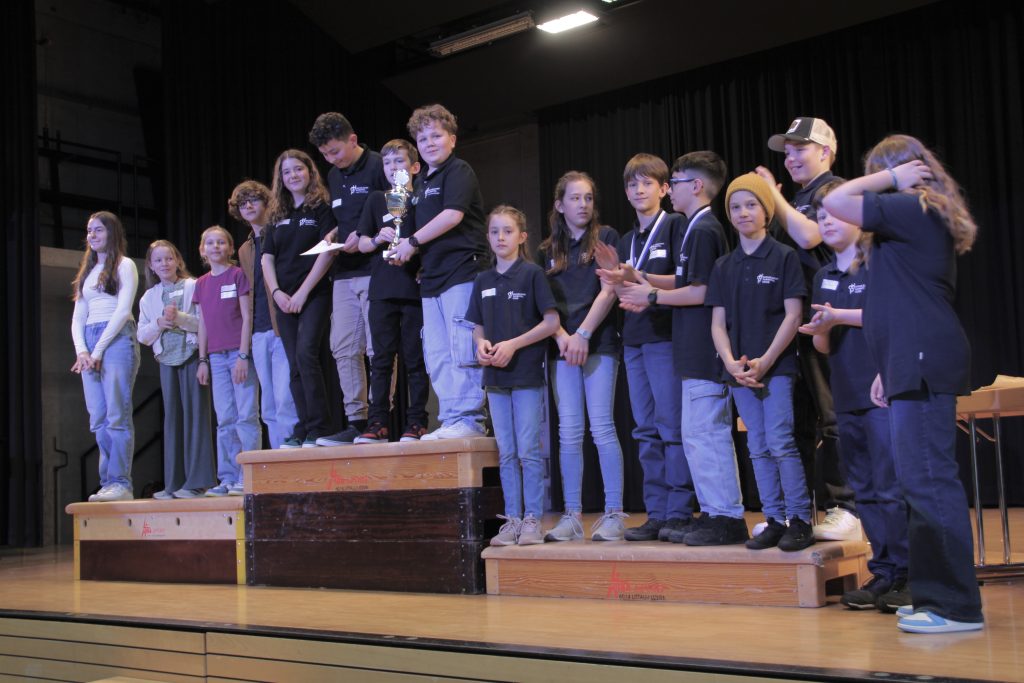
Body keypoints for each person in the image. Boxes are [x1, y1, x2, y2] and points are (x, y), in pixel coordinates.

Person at [822, 134, 983, 633]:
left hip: (923, 355)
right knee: (919, 485)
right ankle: (935, 596)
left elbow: (836, 200)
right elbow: (895, 302)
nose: (873, 185)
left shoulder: (914, 207)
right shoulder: (907, 222)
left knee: (929, 483)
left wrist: (892, 177)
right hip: (908, 360)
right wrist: (885, 370)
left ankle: (956, 607)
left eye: (878, 173)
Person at [618, 151, 748, 546]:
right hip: (677, 345)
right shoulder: (693, 227)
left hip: (695, 346)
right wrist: (641, 280)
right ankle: (704, 512)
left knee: (701, 433)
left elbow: (702, 290)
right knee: (687, 434)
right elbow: (684, 281)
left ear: (695, 185)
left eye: (672, 183)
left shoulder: (699, 228)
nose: (669, 189)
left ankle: (716, 515)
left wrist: (651, 296)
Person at [798, 179, 910, 609]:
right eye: (820, 216)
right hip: (845, 393)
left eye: (834, 213)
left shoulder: (879, 262)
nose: (826, 221)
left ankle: (908, 572)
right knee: (864, 488)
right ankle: (883, 572)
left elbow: (888, 314)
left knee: (890, 486)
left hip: (881, 391)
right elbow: (824, 345)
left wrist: (838, 317)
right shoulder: (823, 275)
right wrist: (820, 330)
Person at [756, 117, 862, 542]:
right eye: (787, 152)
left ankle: (845, 507)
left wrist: (773, 197)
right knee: (796, 423)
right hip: (792, 323)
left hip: (829, 317)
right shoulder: (795, 198)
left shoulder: (833, 190)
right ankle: (797, 513)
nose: (791, 158)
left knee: (833, 416)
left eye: (800, 149)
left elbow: (809, 237)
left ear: (826, 152)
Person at [705, 173, 814, 551]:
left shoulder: (783, 256)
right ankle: (774, 519)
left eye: (751, 204)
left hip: (776, 368)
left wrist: (766, 361)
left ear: (766, 210)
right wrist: (731, 363)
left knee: (781, 441)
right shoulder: (724, 266)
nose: (743, 212)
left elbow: (793, 316)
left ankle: (799, 519)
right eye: (736, 207)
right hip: (740, 372)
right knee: (758, 445)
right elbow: (717, 323)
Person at [595, 154, 695, 542]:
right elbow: (624, 290)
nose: (639, 190)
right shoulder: (626, 240)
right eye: (632, 184)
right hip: (633, 340)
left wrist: (638, 276)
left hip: (665, 336)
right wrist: (614, 278)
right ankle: (656, 512)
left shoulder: (675, 226)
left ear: (664, 189)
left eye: (647, 183)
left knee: (670, 426)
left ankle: (679, 511)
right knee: (645, 430)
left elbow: (685, 280)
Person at [391, 104, 488, 440]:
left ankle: (471, 418)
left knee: (462, 347)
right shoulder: (420, 183)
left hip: (462, 271)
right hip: (431, 278)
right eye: (423, 138)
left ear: (452, 139)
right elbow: (414, 228)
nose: (429, 143)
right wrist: (401, 247)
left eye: (436, 135)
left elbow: (452, 216)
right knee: (437, 352)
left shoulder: (459, 170)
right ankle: (451, 416)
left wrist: (413, 242)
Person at [540, 171, 626, 542]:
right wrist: (563, 336)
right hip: (562, 348)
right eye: (575, 198)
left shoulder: (606, 238)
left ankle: (614, 513)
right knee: (569, 432)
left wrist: (584, 334)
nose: (583, 205)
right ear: (560, 205)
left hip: (597, 342)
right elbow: (544, 304)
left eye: (588, 198)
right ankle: (572, 516)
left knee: (602, 427)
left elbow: (609, 291)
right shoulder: (547, 250)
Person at [466, 206, 559, 546]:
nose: (500, 237)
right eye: (494, 232)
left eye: (507, 231)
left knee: (528, 450)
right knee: (506, 452)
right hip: (495, 378)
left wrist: (513, 345)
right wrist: (480, 344)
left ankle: (532, 518)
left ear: (522, 237)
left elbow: (551, 322)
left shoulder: (532, 274)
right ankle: (512, 519)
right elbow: (477, 326)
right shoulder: (483, 280)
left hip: (525, 375)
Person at [309, 112, 388, 445]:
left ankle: (380, 418)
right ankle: (357, 420)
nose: (331, 159)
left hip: (375, 268)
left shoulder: (380, 165)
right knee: (343, 347)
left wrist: (366, 235)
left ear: (352, 140)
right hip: (344, 272)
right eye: (325, 154)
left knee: (377, 347)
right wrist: (334, 235)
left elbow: (398, 209)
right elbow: (342, 217)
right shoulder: (333, 174)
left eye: (335, 151)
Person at [354, 139, 429, 442]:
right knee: (381, 359)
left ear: (414, 167)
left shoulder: (422, 199)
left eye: (399, 161)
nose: (393, 167)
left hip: (413, 289)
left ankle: (417, 421)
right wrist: (376, 239)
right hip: (382, 290)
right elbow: (360, 244)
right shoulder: (376, 200)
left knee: (415, 359)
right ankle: (378, 422)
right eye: (387, 163)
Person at [261, 149, 338, 448]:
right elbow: (267, 259)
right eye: (287, 171)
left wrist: (303, 292)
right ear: (280, 178)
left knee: (307, 355)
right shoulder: (276, 214)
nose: (293, 175)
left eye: (298, 169)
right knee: (294, 363)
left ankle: (321, 426)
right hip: (283, 299)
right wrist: (277, 293)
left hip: (314, 294)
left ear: (309, 171)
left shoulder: (321, 207)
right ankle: (304, 426)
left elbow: (328, 251)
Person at [137, 239, 215, 498]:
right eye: (158, 260)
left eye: (169, 258)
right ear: (151, 265)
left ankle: (198, 482)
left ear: (178, 261)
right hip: (166, 360)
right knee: (172, 420)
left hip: (191, 356)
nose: (164, 264)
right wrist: (159, 323)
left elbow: (205, 323)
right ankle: (174, 483)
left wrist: (180, 319)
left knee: (196, 417)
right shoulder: (149, 297)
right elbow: (142, 335)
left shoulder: (193, 285)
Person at [71, 211, 140, 502]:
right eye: (89, 230)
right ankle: (107, 482)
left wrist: (98, 350)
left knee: (116, 416)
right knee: (98, 419)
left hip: (117, 339)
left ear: (112, 232)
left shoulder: (125, 265)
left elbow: (123, 311)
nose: (92, 235)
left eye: (98, 230)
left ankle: (120, 483)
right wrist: (82, 351)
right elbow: (78, 317)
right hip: (90, 342)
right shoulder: (87, 271)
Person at [232, 180, 298, 449]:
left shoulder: (281, 233)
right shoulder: (244, 249)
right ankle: (278, 458)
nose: (248, 206)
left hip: (282, 325)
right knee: (268, 403)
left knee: (285, 398)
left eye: (254, 200)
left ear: (266, 202)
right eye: (242, 203)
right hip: (258, 331)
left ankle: (292, 455)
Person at [194, 226, 259, 496]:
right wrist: (202, 359)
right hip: (216, 358)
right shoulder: (201, 283)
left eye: (221, 242)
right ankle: (228, 477)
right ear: (203, 250)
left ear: (230, 248)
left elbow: (247, 317)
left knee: (246, 416)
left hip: (237, 354)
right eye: (210, 243)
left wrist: (243, 355)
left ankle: (249, 475)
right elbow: (202, 324)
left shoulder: (237, 275)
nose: (216, 247)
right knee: (225, 420)